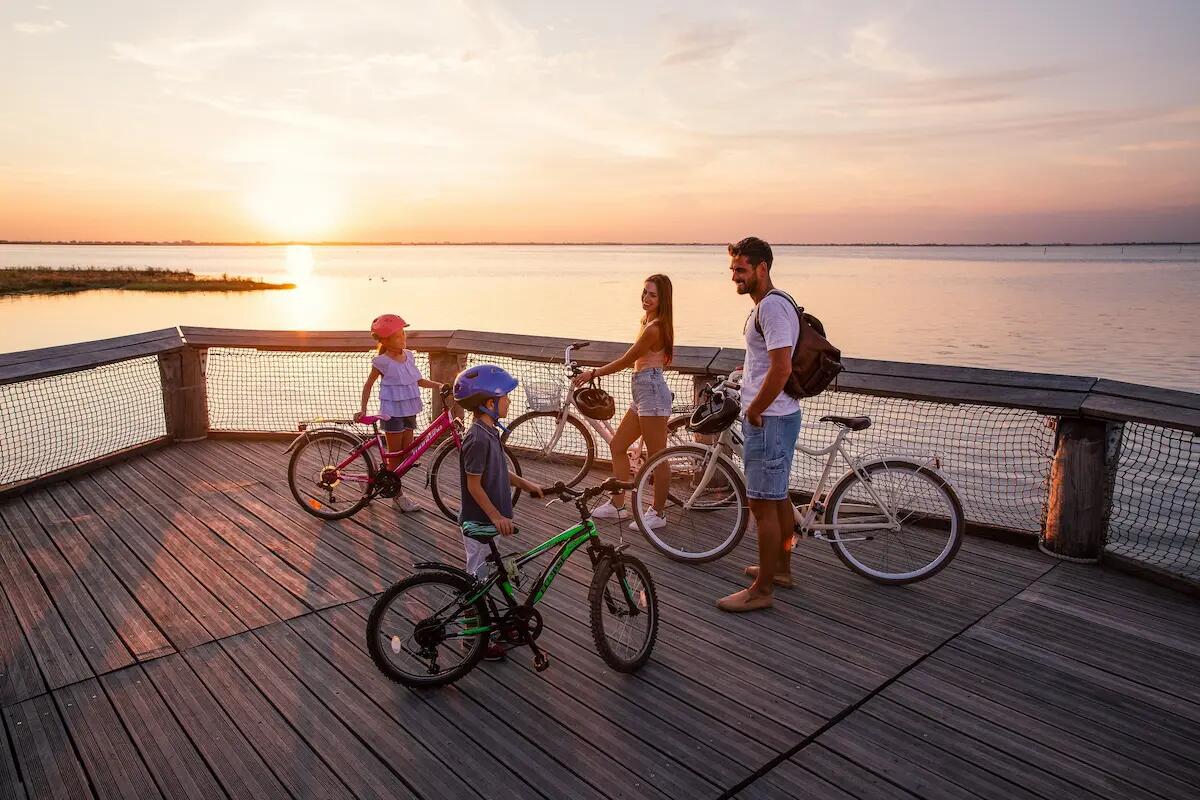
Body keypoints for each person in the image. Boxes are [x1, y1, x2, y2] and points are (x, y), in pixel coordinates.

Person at [718, 237, 802, 613]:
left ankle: (762, 589)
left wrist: (755, 409)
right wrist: (747, 372)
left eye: (741, 269)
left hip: (769, 418)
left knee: (762, 504)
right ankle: (780, 567)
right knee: (778, 497)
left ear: (762, 269)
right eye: (733, 269)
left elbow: (782, 368)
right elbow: (769, 362)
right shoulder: (770, 305)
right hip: (775, 414)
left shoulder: (770, 308)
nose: (734, 276)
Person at [453, 364, 546, 660]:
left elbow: (500, 470)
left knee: (491, 575)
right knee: (476, 580)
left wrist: (526, 483)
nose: (509, 401)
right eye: (505, 397)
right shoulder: (477, 438)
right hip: (479, 521)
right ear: (489, 403)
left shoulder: (489, 431)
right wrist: (496, 516)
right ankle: (473, 639)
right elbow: (474, 485)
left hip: (490, 520)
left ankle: (498, 623)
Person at [571, 274, 675, 529]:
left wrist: (593, 373)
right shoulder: (648, 322)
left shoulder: (655, 328)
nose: (646, 298)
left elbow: (627, 360)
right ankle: (618, 506)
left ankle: (658, 513)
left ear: (663, 299)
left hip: (651, 392)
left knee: (657, 458)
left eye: (652, 294)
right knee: (618, 446)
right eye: (644, 292)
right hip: (642, 392)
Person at [355, 313, 443, 512]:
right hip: (392, 412)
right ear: (385, 340)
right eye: (398, 336)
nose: (403, 338)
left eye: (404, 334)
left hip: (409, 409)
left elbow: (419, 381)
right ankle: (398, 496)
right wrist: (363, 409)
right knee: (395, 457)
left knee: (405, 456)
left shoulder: (409, 356)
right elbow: (368, 385)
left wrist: (442, 385)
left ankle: (370, 480)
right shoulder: (382, 362)